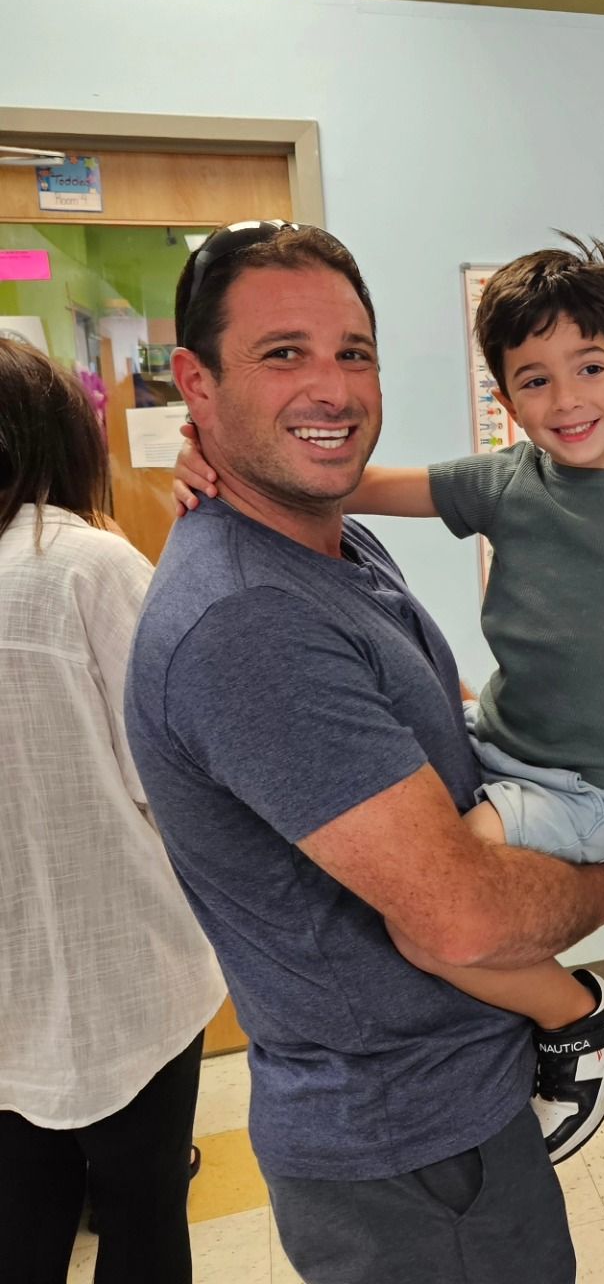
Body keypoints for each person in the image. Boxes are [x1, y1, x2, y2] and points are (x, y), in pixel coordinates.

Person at [172, 232, 604, 1162]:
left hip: (585, 791)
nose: (567, 399)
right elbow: (342, 480)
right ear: (505, 398)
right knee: (425, 865)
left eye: (591, 366)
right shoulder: (503, 484)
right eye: (534, 380)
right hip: (495, 741)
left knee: (428, 925)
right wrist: (206, 456)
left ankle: (583, 1016)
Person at [127, 221, 604, 1284]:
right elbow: (464, 917)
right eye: (280, 353)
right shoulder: (248, 620)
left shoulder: (329, 539)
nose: (332, 387)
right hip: (411, 1159)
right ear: (194, 383)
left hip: (451, 1115)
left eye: (353, 352)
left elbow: (422, 729)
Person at [0, 339, 226, 1284]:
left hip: (9, 990)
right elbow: (171, 772)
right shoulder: (82, 565)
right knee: (142, 1223)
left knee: (20, 1229)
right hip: (126, 970)